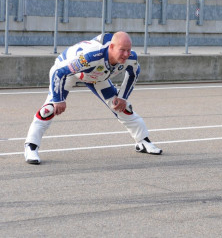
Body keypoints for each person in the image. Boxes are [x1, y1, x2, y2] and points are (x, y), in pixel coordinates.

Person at [24, 31, 162, 164]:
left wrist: (123, 97)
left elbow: (134, 73)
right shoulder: (91, 56)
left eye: (129, 50)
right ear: (111, 47)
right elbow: (58, 71)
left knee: (123, 107)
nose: (126, 54)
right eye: (122, 50)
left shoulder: (130, 58)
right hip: (71, 73)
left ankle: (143, 141)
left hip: (98, 76)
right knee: (48, 110)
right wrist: (58, 99)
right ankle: (31, 146)